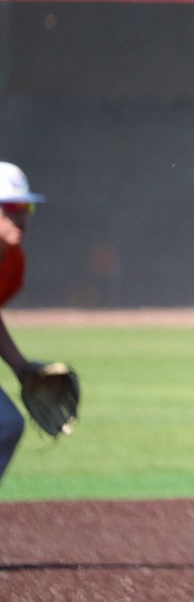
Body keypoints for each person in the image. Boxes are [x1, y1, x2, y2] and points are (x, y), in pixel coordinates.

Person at [0, 161, 46, 481]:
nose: (22, 215)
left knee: (7, 423)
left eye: (26, 205)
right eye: (11, 206)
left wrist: (22, 369)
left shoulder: (12, 263)